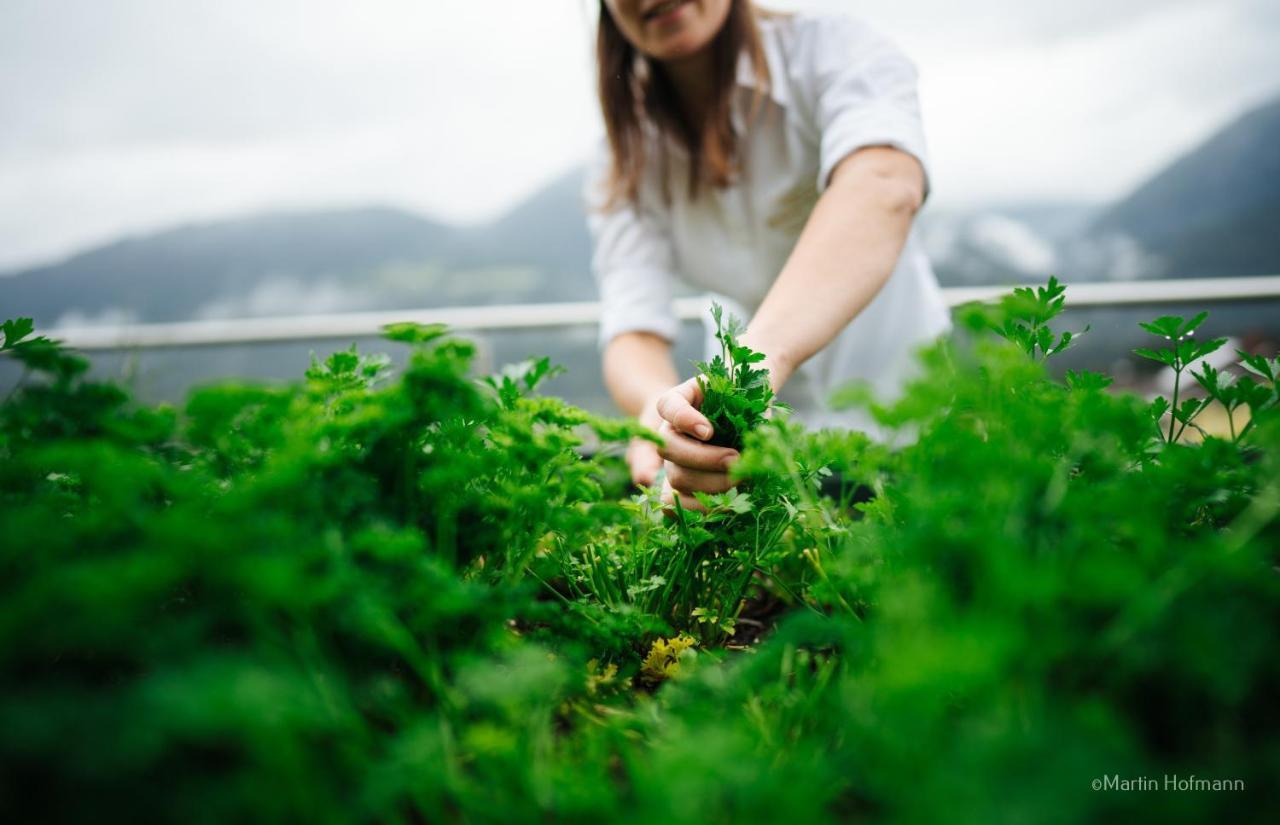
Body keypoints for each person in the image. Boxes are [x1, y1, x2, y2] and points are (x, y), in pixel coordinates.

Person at [583, 0, 950, 507]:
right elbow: (633, 326)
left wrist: (748, 373)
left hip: (903, 414)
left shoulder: (832, 47)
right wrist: (661, 412)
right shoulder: (625, 149)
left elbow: (884, 184)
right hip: (754, 448)